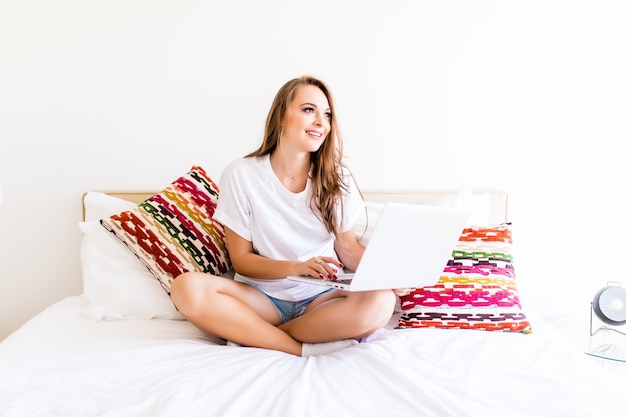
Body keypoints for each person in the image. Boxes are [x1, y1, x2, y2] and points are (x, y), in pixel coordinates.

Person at [171, 75, 404, 357]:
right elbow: (241, 261)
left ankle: (255, 335)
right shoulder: (242, 174)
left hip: (321, 299)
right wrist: (295, 267)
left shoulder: (337, 179)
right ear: (282, 115)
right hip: (262, 299)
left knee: (381, 301)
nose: (321, 122)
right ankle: (296, 348)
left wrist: (389, 275)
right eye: (309, 110)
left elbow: (348, 248)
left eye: (327, 114)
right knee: (186, 288)